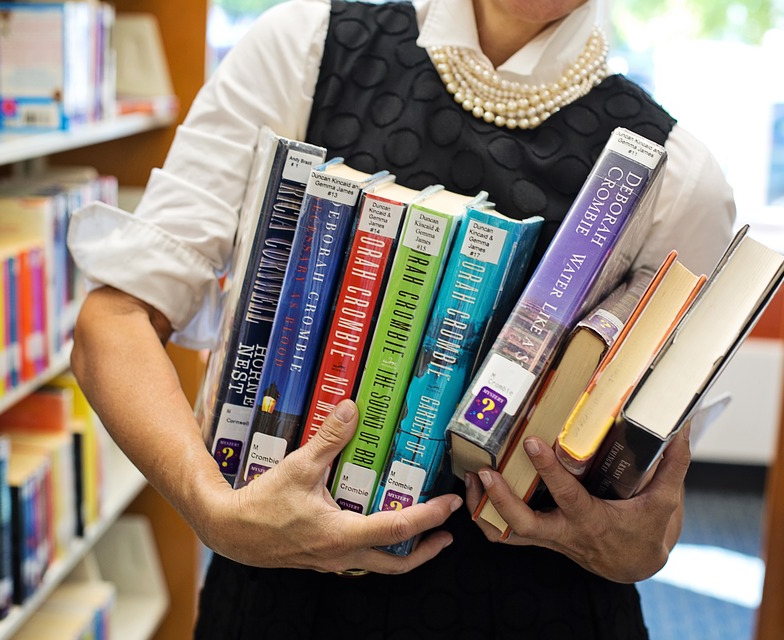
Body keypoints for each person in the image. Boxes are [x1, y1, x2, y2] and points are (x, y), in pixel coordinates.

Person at [67, 0, 736, 636]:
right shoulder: (305, 46)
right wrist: (211, 509)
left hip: (533, 611)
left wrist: (636, 548)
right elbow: (115, 320)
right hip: (282, 599)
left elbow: (650, 507)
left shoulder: (680, 178)